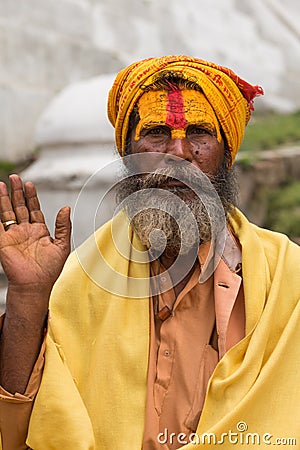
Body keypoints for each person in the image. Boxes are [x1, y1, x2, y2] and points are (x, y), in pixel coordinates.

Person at [0, 55, 299, 450]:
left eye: (199, 133)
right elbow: (23, 419)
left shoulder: (286, 277)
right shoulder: (84, 276)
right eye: (157, 133)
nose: (177, 152)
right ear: (129, 154)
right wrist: (28, 297)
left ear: (225, 154)